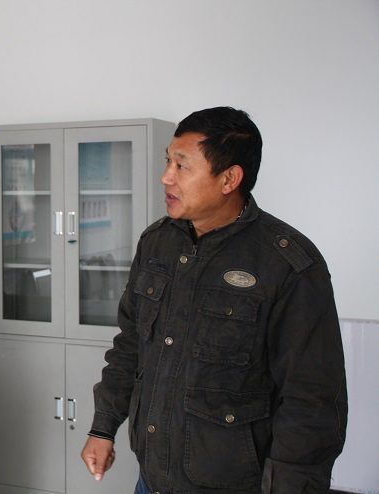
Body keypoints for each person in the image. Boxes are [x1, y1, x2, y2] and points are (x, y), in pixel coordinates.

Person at [81, 107, 347, 493]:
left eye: (182, 165)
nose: (166, 176)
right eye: (168, 161)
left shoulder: (288, 264)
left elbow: (312, 400)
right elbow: (131, 345)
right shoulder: (157, 242)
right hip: (152, 479)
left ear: (228, 179)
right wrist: (103, 427)